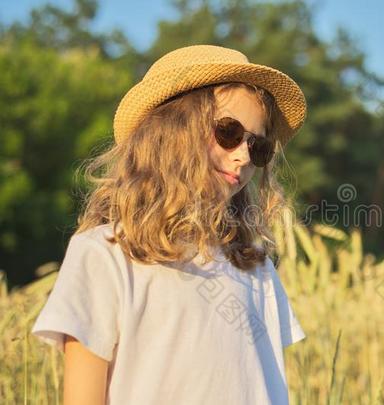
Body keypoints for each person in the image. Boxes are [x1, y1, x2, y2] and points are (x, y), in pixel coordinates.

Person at [31, 44, 308, 405]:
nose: (242, 155)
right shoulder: (104, 254)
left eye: (258, 147)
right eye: (228, 132)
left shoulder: (255, 265)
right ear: (171, 132)